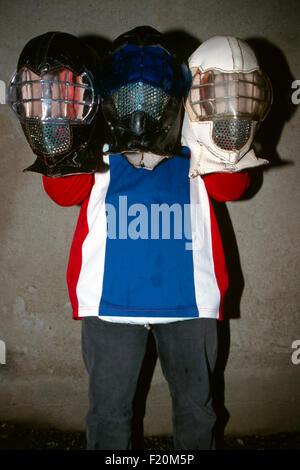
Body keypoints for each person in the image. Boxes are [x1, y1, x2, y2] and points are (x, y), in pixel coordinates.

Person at [10, 28, 271, 451]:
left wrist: (225, 122)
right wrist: (62, 124)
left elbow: (233, 188)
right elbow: (61, 193)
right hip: (111, 301)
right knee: (109, 414)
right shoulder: (95, 136)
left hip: (189, 299)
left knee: (196, 410)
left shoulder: (196, 131)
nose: (142, 97)